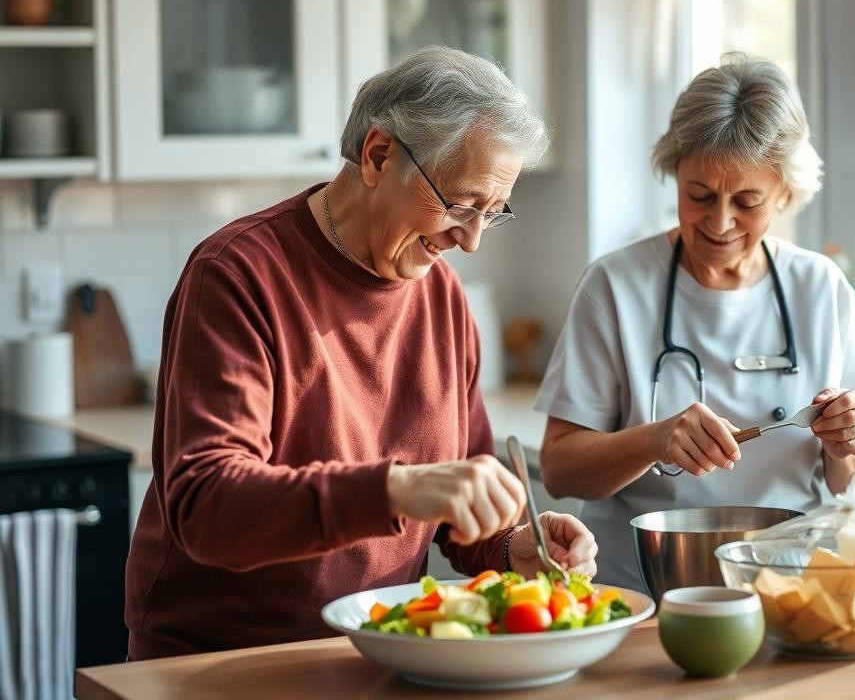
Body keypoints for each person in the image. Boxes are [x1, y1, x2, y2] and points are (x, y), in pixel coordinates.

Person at [125, 46, 597, 659]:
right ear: (378, 156)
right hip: (220, 659)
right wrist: (396, 490)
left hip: (372, 652)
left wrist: (511, 546)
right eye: (460, 203)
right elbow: (208, 506)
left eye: (492, 212)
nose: (471, 240)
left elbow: (461, 496)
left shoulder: (444, 297)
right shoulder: (238, 274)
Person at [535, 54, 855, 590]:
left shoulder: (820, 288)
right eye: (698, 195)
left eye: (747, 201)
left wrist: (850, 443)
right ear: (673, 171)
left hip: (785, 584)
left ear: (786, 193)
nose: (719, 222)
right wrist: (654, 440)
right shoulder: (616, 285)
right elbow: (561, 470)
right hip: (636, 588)